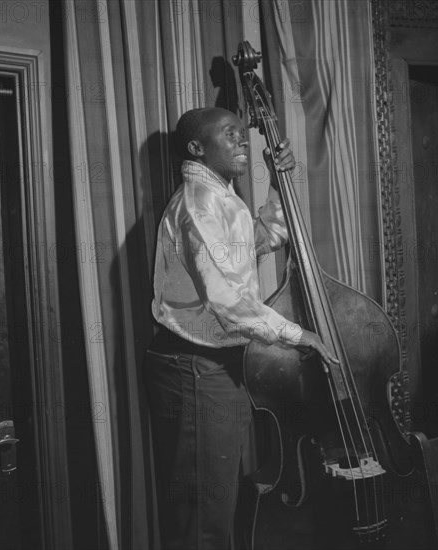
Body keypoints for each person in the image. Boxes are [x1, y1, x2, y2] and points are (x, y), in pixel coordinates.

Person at [145, 107, 331, 550]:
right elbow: (227, 301)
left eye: (242, 135)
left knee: (214, 505)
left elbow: (264, 237)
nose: (242, 141)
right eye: (230, 134)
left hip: (213, 365)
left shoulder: (221, 196)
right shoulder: (199, 202)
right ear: (197, 148)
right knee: (203, 517)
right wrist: (297, 335)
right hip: (195, 367)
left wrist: (277, 181)